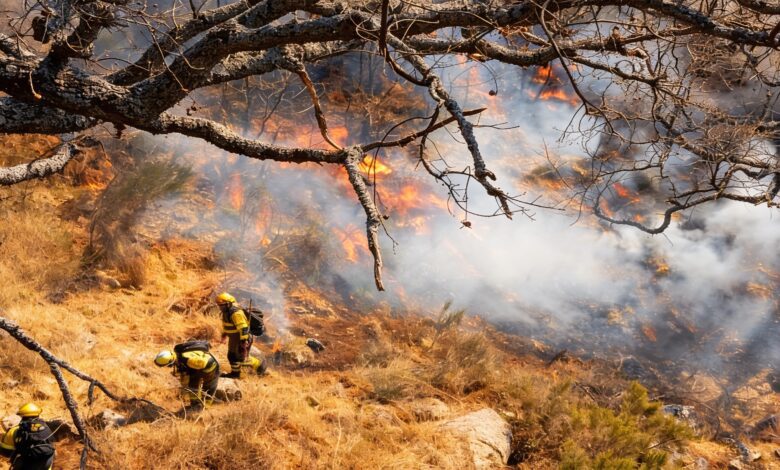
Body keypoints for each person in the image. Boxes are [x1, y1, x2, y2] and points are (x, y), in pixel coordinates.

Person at [154, 343, 220, 409]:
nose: (168, 367)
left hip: (210, 367)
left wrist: (197, 373)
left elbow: (204, 363)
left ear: (171, 362)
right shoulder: (178, 353)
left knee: (208, 387)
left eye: (168, 365)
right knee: (193, 384)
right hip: (199, 367)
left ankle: (205, 408)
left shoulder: (189, 360)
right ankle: (195, 404)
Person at [216, 292, 265, 378]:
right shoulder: (227, 312)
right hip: (234, 338)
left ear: (229, 304)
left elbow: (243, 328)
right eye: (220, 306)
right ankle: (235, 374)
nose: (221, 308)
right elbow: (228, 325)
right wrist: (225, 334)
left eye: (223, 305)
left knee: (241, 358)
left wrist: (243, 342)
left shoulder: (236, 313)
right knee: (231, 356)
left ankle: (260, 366)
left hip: (241, 339)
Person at [0, 403, 55, 470]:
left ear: (21, 416)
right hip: (46, 466)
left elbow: (6, 453)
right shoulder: (46, 428)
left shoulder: (15, 430)